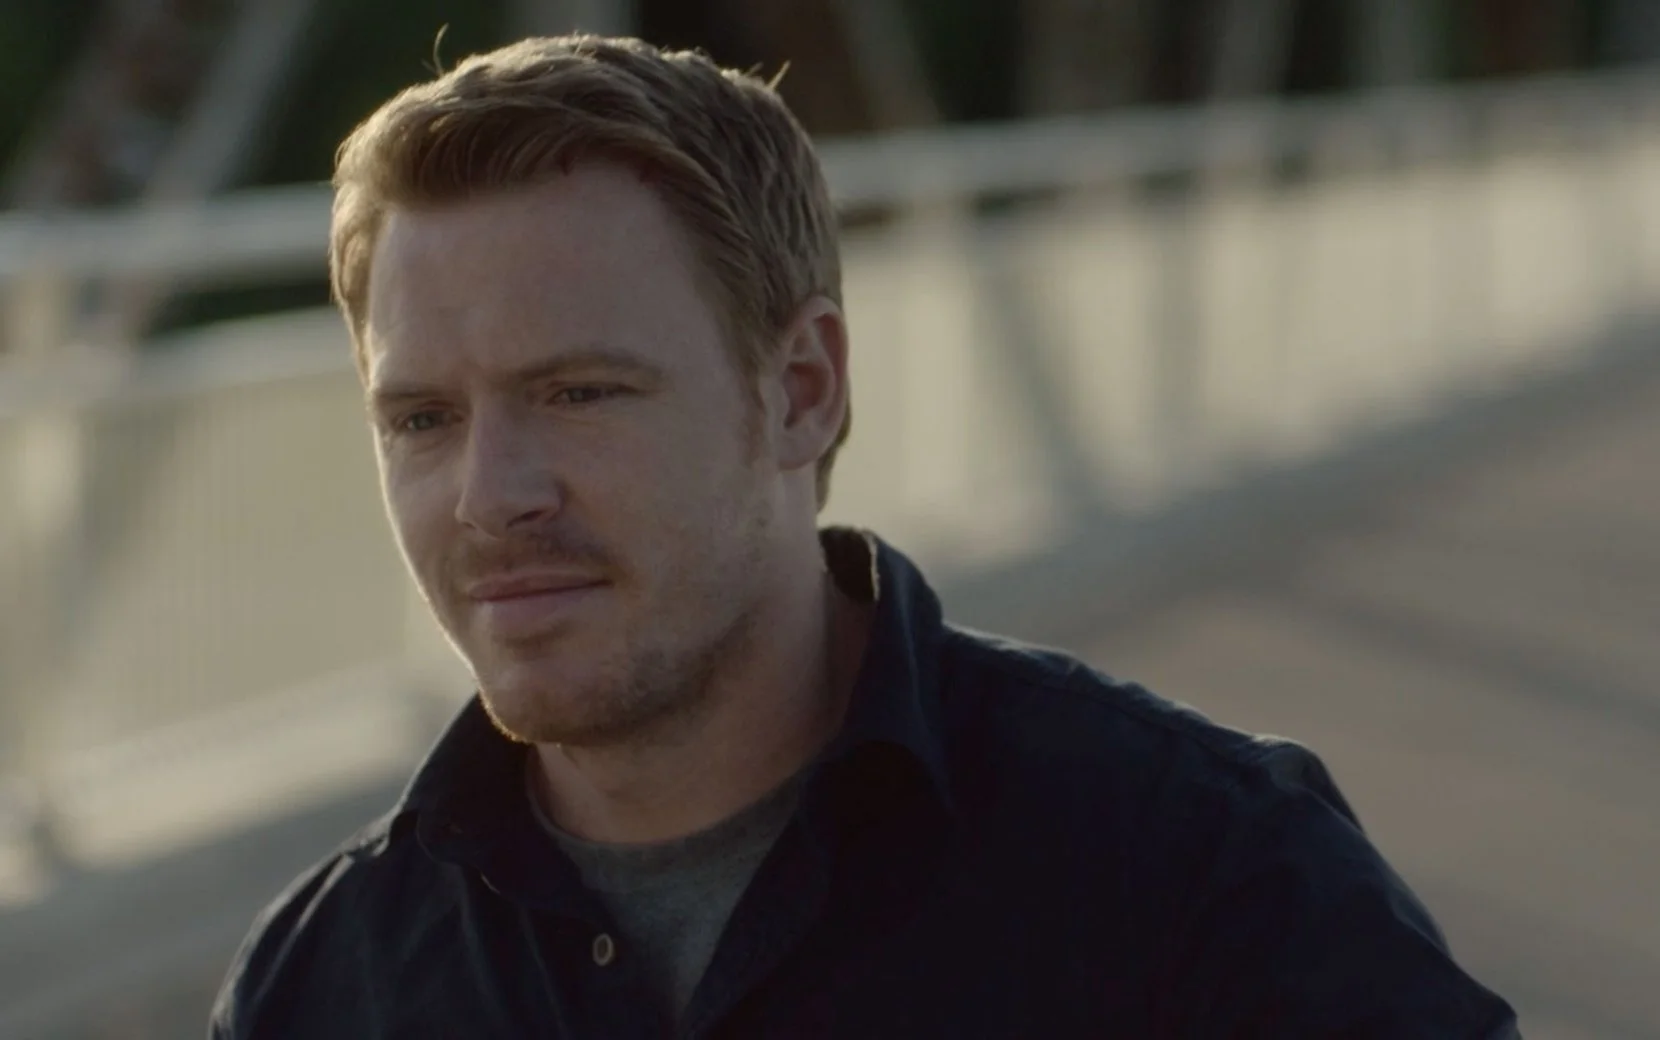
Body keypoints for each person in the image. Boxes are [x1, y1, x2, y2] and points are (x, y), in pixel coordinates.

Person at [207, 33, 1516, 1039]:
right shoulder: (322, 985)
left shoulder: (1204, 878)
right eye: (422, 419)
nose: (491, 495)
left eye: (580, 393)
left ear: (802, 390)